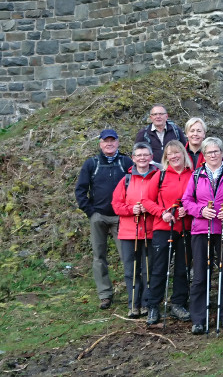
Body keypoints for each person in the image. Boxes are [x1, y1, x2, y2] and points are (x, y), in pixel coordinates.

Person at [182, 137, 223, 334]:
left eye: (216, 151)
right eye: (209, 152)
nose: (213, 155)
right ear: (204, 155)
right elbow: (186, 200)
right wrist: (201, 211)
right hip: (201, 230)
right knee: (200, 275)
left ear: (222, 153)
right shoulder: (196, 174)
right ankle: (198, 319)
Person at [75, 129, 133, 310]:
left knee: (127, 256)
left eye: (112, 141)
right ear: (100, 143)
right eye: (105, 141)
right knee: (99, 257)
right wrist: (90, 212)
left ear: (118, 142)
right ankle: (105, 294)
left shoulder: (126, 162)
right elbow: (80, 190)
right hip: (98, 216)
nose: (109, 144)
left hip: (121, 217)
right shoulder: (91, 164)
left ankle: (133, 293)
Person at [141, 140, 194, 325]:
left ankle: (178, 303)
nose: (174, 156)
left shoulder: (193, 175)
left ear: (183, 153)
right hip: (164, 228)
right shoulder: (160, 176)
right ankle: (153, 305)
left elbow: (197, 198)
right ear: (166, 157)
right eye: (170, 153)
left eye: (177, 152)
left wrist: (187, 209)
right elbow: (146, 200)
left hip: (186, 228)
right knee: (159, 268)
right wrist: (162, 213)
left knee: (182, 268)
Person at [112, 142, 159, 317]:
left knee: (149, 269)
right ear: (133, 158)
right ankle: (133, 304)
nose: (142, 158)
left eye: (145, 155)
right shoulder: (126, 180)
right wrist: (131, 210)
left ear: (151, 157)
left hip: (151, 230)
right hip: (128, 232)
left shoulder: (158, 177)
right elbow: (116, 205)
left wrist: (150, 208)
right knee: (131, 270)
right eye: (139, 155)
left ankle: (147, 303)